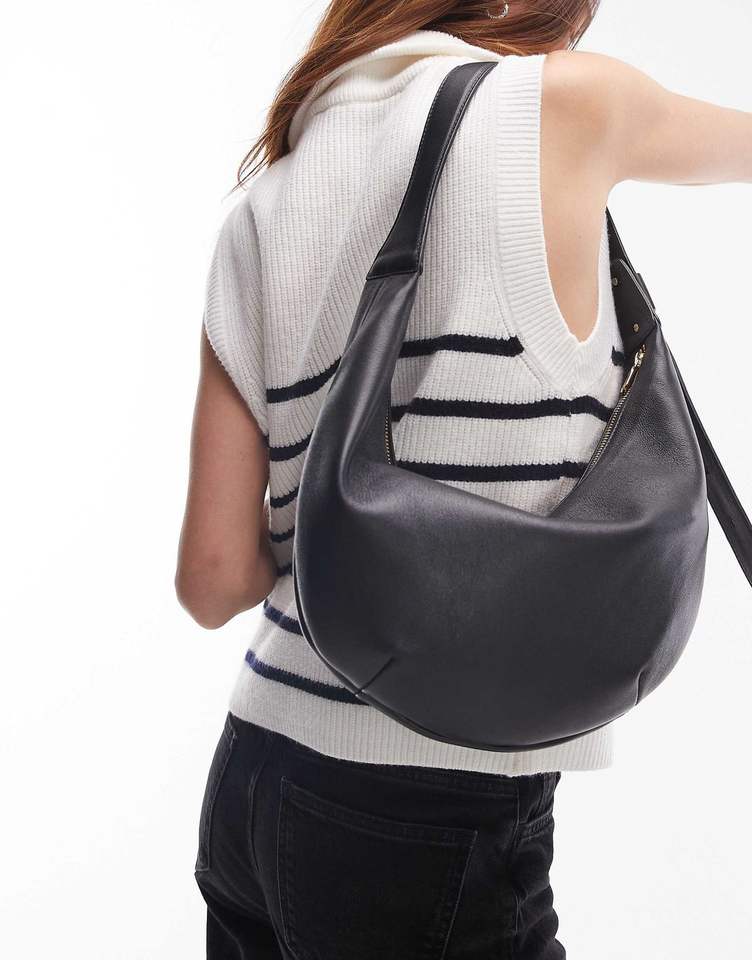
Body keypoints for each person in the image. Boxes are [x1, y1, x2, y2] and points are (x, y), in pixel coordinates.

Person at [175, 2, 752, 956]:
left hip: (253, 777)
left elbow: (213, 579)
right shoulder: (560, 105)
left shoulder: (266, 197)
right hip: (431, 813)